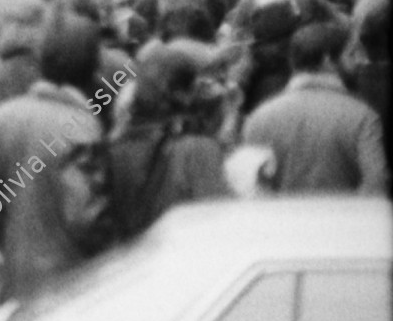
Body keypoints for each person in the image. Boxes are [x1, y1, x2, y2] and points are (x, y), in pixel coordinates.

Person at [0, 16, 110, 302]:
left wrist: (14, 241)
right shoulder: (82, 127)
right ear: (90, 66)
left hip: (18, 277)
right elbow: (86, 217)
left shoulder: (0, 118)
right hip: (75, 283)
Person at [243, 22, 388, 195]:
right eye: (351, 54)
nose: (360, 61)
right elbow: (376, 183)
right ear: (327, 60)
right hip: (343, 218)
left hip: (282, 220)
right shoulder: (362, 117)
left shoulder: (259, 118)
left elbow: (251, 187)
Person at [107, 49, 230, 240]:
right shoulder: (197, 151)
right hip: (184, 261)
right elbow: (225, 225)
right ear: (184, 94)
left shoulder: (111, 153)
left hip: (132, 266)